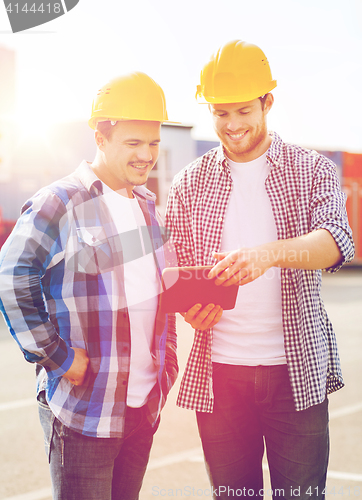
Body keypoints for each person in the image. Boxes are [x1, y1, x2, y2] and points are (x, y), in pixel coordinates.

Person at [165, 40, 354, 499]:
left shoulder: (312, 169)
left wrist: (266, 255)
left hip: (295, 375)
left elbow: (336, 241)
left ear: (268, 102)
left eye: (243, 111)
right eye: (220, 113)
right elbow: (172, 272)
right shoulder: (190, 181)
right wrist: (193, 310)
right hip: (220, 378)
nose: (231, 125)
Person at [0, 72, 178, 500]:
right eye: (133, 143)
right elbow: (11, 278)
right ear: (101, 136)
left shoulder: (150, 210)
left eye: (153, 143)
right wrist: (56, 356)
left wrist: (165, 365)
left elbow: (160, 295)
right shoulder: (59, 202)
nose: (146, 155)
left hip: (141, 409)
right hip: (84, 413)